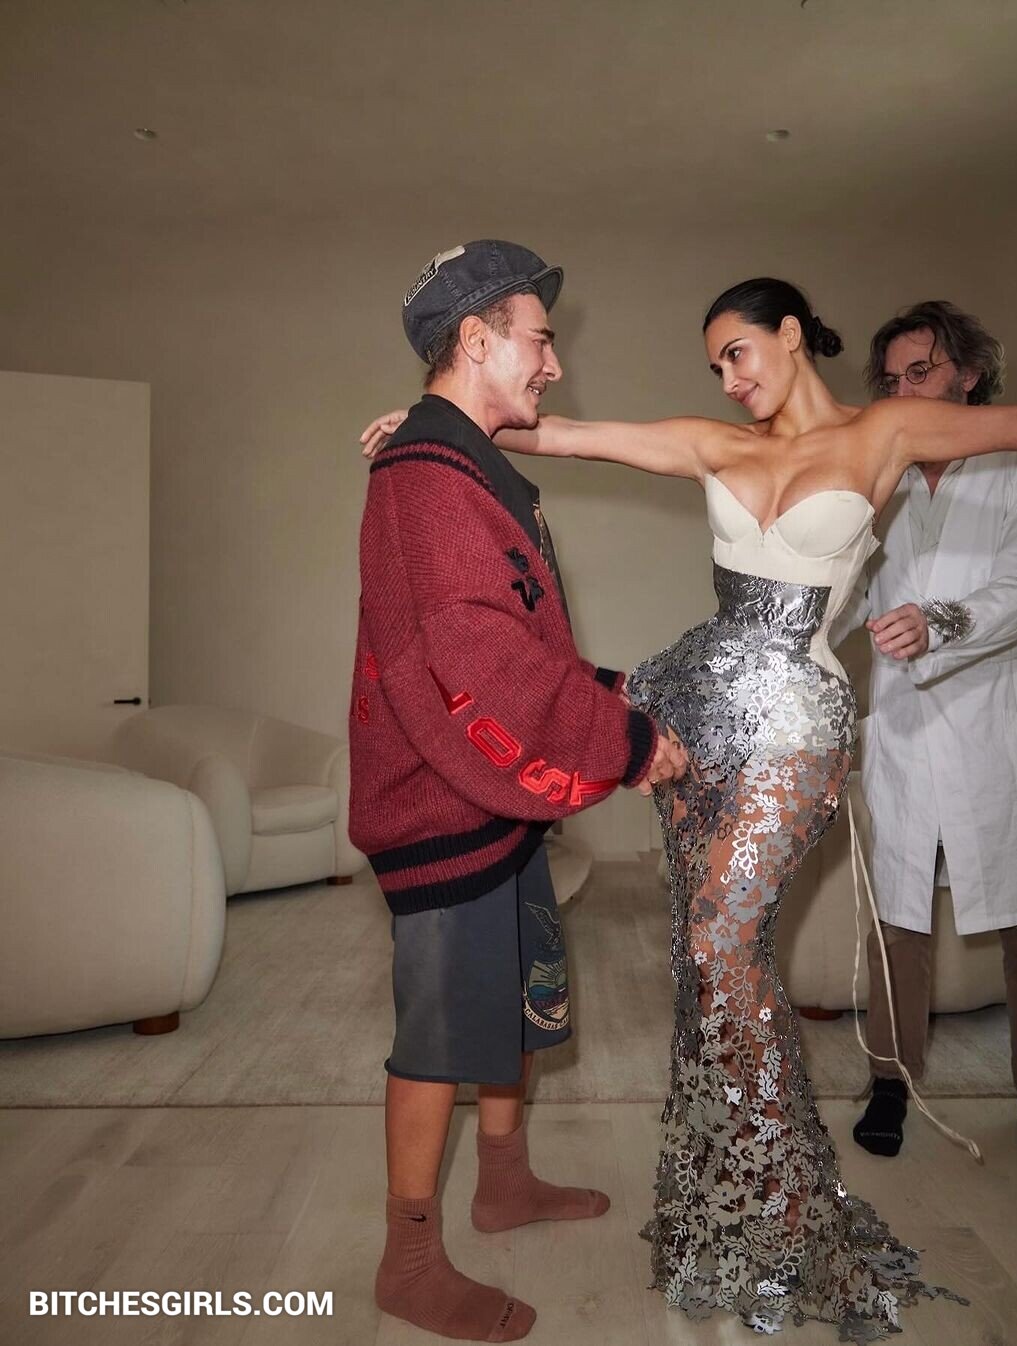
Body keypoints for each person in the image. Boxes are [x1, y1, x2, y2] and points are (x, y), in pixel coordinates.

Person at [361, 275, 1017, 1340]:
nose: (730, 381)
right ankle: (729, 1196)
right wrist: (434, 428)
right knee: (703, 958)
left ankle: (780, 1198)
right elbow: (569, 435)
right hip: (708, 713)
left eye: (738, 354)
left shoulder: (886, 429)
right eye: (716, 367)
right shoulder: (714, 443)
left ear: (790, 335)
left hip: (799, 729)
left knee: (722, 943)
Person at [350, 238, 687, 1343]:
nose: (553, 362)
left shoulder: (461, 468)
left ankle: (503, 1182)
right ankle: (407, 1258)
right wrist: (628, 741)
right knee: (440, 1034)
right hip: (441, 804)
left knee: (520, 1000)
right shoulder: (428, 482)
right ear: (476, 339)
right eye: (539, 340)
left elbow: (526, 645)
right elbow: (484, 665)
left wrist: (615, 695)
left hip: (491, 799)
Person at [829, 301, 1017, 1165]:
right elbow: (848, 587)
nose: (904, 392)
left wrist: (937, 620)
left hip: (1002, 724)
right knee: (897, 916)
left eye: (922, 372)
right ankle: (890, 1081)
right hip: (905, 725)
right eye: (892, 379)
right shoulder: (884, 477)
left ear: (969, 376)